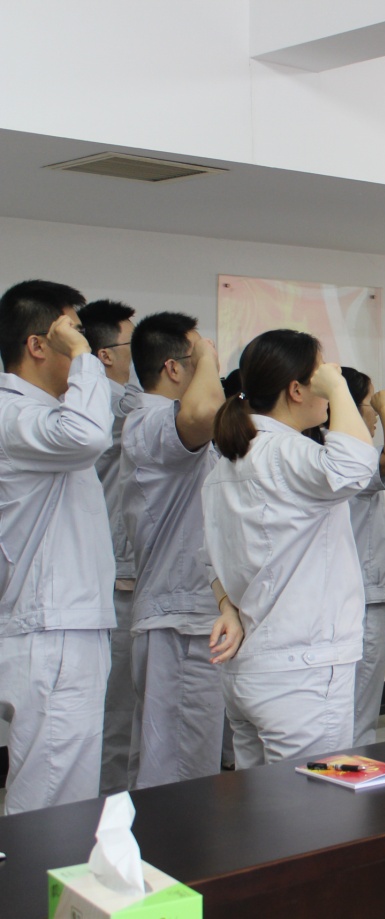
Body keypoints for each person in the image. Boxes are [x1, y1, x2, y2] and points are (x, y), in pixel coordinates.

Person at [203, 330, 376, 766]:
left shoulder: (226, 464)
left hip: (251, 671)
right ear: (296, 390)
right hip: (301, 673)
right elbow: (356, 467)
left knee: (261, 803)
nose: (327, 380)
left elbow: (212, 559)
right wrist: (339, 387)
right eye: (319, 373)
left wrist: (227, 607)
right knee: (316, 801)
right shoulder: (286, 451)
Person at [0, 279, 113, 814]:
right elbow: (88, 436)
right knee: (52, 800)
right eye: (70, 332)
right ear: (38, 344)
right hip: (52, 628)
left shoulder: (43, 416)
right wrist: (86, 355)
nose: (81, 344)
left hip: (58, 624)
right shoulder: (15, 414)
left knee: (58, 790)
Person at [122, 311, 239, 788]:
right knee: (179, 774)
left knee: (176, 765)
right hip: (180, 624)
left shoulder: (167, 423)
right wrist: (208, 356)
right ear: (173, 368)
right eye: (200, 358)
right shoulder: (152, 421)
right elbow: (205, 411)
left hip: (189, 618)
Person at [78, 298, 143, 794]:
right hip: (115, 578)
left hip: (116, 573)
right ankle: (106, 813)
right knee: (115, 713)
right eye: (131, 344)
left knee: (123, 709)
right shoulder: (111, 403)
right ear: (104, 354)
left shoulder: (108, 398)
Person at [330, 366, 385, 746]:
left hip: (348, 591)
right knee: (359, 708)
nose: (375, 413)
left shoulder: (327, 450)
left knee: (345, 705)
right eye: (369, 404)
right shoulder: (350, 457)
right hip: (363, 594)